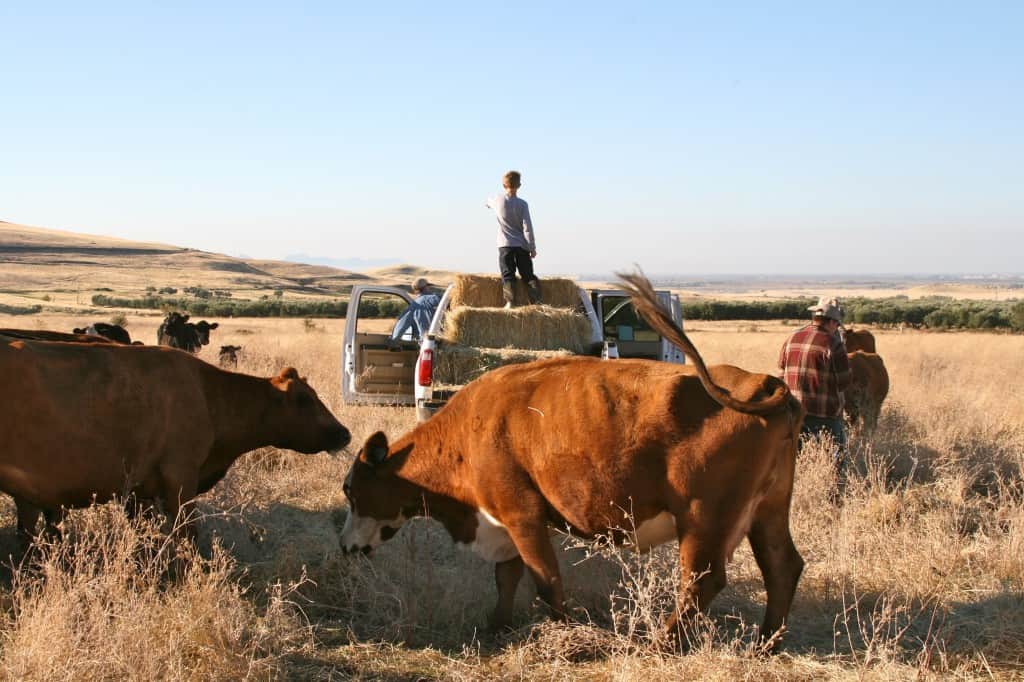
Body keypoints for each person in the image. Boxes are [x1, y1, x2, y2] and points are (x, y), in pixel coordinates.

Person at [778, 295, 852, 491]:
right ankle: (835, 492)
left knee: (794, 458)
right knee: (837, 457)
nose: (837, 328)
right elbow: (844, 382)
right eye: (837, 324)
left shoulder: (791, 338)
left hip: (793, 411)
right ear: (832, 322)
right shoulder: (833, 344)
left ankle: (795, 490)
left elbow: (780, 373)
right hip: (825, 413)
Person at [486, 170, 542, 308]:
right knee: (528, 275)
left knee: (508, 274)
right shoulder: (523, 204)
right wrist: (532, 248)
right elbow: (527, 227)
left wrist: (489, 204)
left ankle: (510, 302)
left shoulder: (498, 200)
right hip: (522, 246)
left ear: (503, 185)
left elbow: (488, 201)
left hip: (505, 245)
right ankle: (536, 301)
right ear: (519, 185)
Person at [390, 278, 441, 343]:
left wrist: (393, 341)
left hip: (426, 343)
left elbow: (401, 326)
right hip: (443, 341)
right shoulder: (436, 298)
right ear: (425, 288)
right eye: (428, 286)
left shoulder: (414, 306)